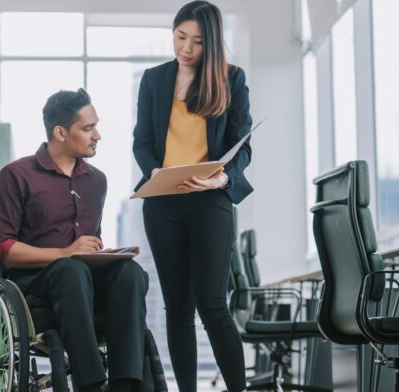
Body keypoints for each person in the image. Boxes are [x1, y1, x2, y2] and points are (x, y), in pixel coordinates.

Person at [0, 88, 148, 392]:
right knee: (70, 269)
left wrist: (103, 255)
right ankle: (90, 384)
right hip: (33, 285)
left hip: (81, 280)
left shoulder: (96, 180)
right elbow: (0, 249)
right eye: (87, 128)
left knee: (130, 272)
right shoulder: (16, 175)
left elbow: (89, 241)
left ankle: (127, 385)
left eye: (96, 125)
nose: (97, 135)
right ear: (60, 132)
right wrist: (65, 253)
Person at [132, 1, 253, 391]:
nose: (185, 48)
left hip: (210, 201)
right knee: (177, 309)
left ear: (212, 43)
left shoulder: (231, 80)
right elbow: (142, 142)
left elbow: (243, 145)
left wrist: (222, 180)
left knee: (213, 306)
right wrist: (154, 170)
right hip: (163, 202)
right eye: (180, 37)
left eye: (197, 42)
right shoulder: (154, 79)